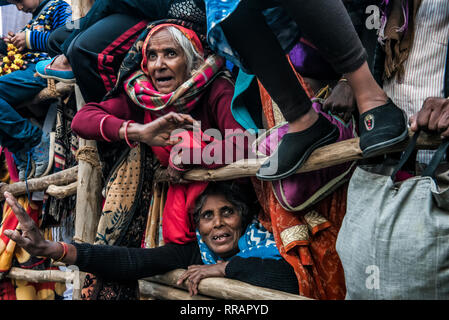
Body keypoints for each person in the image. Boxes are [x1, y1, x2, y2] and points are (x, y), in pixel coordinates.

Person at [204, 0, 409, 181]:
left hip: (358, 31)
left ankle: (371, 96)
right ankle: (302, 121)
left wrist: (346, 81)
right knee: (226, 6)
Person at [2, 181, 300, 296]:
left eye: (228, 212)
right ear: (197, 225)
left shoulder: (264, 242)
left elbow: (286, 281)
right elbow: (133, 261)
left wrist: (224, 268)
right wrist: (53, 249)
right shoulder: (193, 252)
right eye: (207, 216)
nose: (218, 224)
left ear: (243, 217)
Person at [36, 0, 206, 103]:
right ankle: (69, 56)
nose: (20, 6)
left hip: (181, 6)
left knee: (80, 49)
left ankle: (114, 120)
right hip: (133, 7)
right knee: (56, 38)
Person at [0, 0, 71, 180]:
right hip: (27, 71)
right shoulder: (34, 19)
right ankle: (21, 150)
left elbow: (66, 40)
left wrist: (30, 39)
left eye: (19, 1)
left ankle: (36, 139)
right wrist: (14, 43)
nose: (19, 8)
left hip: (43, 70)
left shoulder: (60, 7)